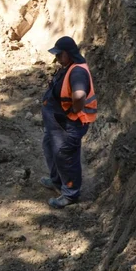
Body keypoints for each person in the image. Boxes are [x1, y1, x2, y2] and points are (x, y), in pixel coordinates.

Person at [40, 35, 97, 208]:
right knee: (49, 147)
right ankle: (57, 180)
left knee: (65, 156)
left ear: (69, 53)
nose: (56, 59)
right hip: (57, 124)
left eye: (59, 55)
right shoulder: (68, 66)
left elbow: (79, 95)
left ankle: (70, 193)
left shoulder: (78, 71)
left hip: (69, 124)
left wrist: (73, 110)